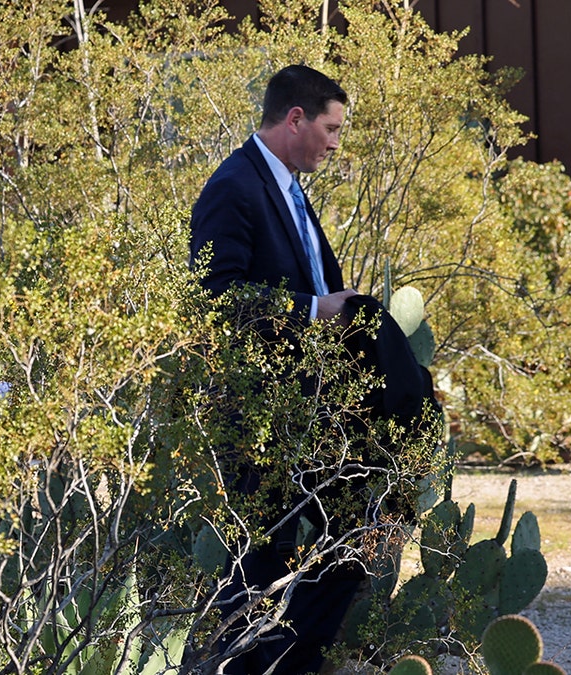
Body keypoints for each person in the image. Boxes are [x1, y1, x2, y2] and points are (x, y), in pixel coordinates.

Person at [190, 63, 359, 674]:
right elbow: (215, 295)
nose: (335, 144)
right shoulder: (235, 186)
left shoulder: (286, 186)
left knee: (355, 534)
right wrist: (314, 309)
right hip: (259, 412)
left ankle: (287, 664)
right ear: (295, 119)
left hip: (311, 407)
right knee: (259, 563)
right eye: (331, 129)